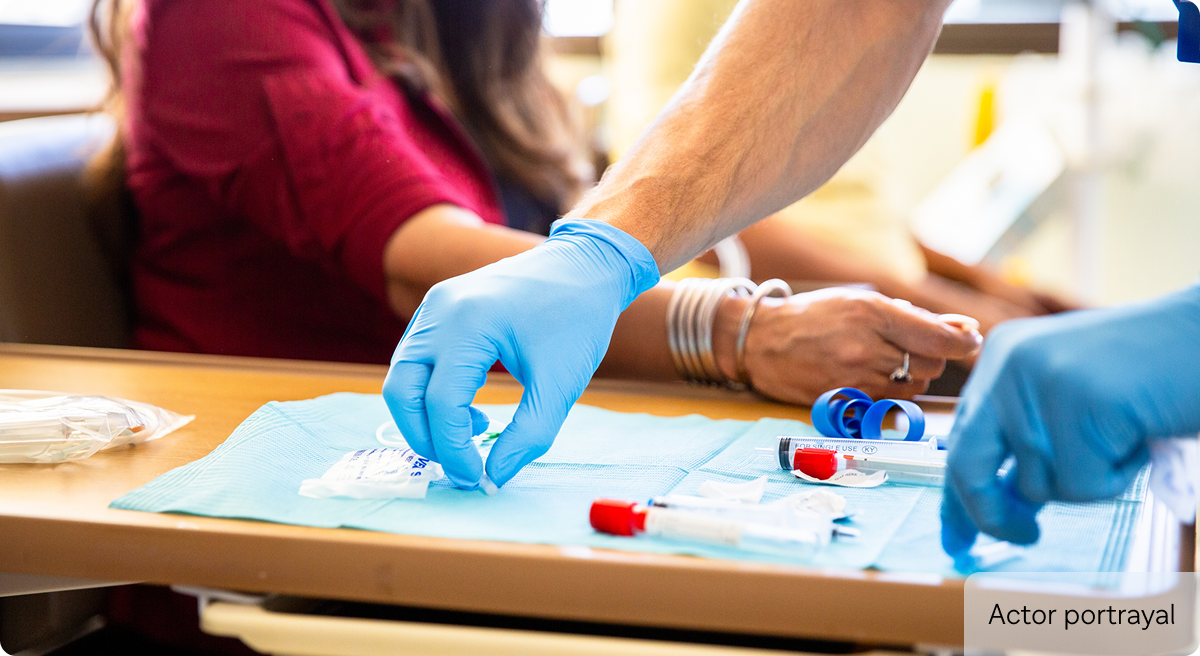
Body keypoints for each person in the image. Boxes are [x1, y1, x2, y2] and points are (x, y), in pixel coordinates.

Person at [89, 0, 977, 462]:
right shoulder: (222, 19)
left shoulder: (444, 30)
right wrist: (741, 330)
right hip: (303, 513)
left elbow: (612, 212)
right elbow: (431, 265)